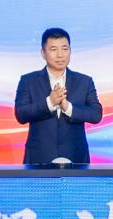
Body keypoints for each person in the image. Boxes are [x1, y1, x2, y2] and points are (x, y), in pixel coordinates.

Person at [13, 28, 104, 164]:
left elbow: (96, 114)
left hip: (76, 157)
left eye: (65, 49)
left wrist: (68, 108)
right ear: (43, 53)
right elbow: (21, 114)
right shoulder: (28, 81)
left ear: (70, 51)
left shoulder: (84, 81)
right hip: (39, 158)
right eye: (54, 49)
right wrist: (49, 103)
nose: (60, 55)